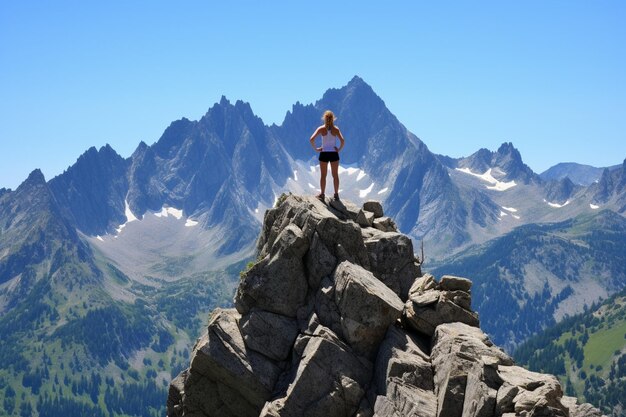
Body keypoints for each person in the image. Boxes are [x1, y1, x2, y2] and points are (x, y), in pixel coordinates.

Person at [309, 110, 345, 201]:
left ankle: (322, 194)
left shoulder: (321, 128)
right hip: (333, 153)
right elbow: (343, 141)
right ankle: (336, 195)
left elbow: (311, 139)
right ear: (333, 118)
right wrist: (338, 149)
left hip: (324, 153)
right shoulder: (336, 129)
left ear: (324, 118)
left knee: (323, 175)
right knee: (335, 175)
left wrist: (316, 149)